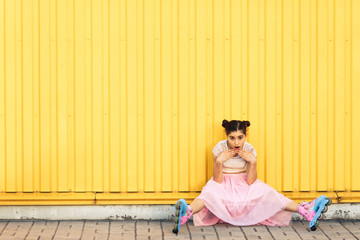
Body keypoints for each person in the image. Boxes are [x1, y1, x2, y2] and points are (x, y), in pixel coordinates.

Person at [173, 119, 331, 234]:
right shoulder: (219, 148)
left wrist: (253, 162)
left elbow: (251, 181)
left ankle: (306, 211)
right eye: (232, 138)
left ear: (245, 136)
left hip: (243, 182)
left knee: (268, 192)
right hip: (222, 181)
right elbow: (218, 179)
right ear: (227, 136)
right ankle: (186, 213)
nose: (236, 142)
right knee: (209, 193)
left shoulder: (249, 149)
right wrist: (219, 161)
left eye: (240, 138)